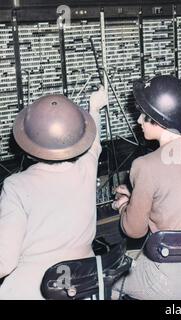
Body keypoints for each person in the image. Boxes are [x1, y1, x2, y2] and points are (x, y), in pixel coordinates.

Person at [111, 75, 181, 300]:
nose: (139, 121)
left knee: (110, 281)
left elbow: (134, 231)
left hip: (170, 282)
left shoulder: (144, 165)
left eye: (145, 115)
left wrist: (125, 205)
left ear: (160, 120)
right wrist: (138, 197)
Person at [0, 87, 108, 299]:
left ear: (27, 145)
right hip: (84, 286)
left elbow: (5, 261)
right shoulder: (86, 168)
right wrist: (95, 108)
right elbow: (94, 146)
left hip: (33, 289)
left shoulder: (15, 186)